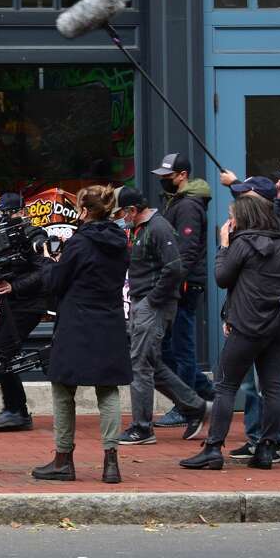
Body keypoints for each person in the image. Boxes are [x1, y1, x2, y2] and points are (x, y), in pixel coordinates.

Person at [180, 192, 280, 470]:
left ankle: (212, 449)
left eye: (232, 217)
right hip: (277, 327)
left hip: (246, 326)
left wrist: (223, 245)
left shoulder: (242, 245)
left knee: (225, 386)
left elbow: (222, 278)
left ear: (243, 218)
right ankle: (267, 447)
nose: (229, 222)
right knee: (272, 387)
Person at [30, 186, 132, 483]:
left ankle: (63, 460)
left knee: (63, 389)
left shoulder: (79, 243)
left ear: (85, 211)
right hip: (110, 320)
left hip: (76, 322)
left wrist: (49, 260)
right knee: (108, 390)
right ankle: (111, 462)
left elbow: (55, 282)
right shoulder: (119, 242)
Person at [113, 186, 209, 445]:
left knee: (140, 366)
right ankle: (194, 406)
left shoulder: (158, 228)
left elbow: (174, 268)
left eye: (123, 212)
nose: (122, 217)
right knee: (151, 365)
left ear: (132, 210)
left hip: (152, 305)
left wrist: (151, 301)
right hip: (143, 303)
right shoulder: (138, 229)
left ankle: (142, 427)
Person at [0, 193, 49, 432]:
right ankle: (15, 410)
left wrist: (14, 286)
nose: (5, 219)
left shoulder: (35, 235)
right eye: (2, 215)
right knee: (2, 355)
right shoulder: (5, 237)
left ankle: (16, 411)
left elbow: (46, 270)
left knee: (2, 354)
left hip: (28, 304)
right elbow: (3, 269)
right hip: (12, 303)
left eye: (9, 214)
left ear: (21, 211)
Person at [152, 152, 215, 432]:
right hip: (181, 282)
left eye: (169, 175)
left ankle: (186, 405)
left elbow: (186, 252)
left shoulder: (188, 206)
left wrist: (173, 282)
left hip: (184, 284)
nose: (164, 179)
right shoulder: (179, 202)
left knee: (180, 345)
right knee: (169, 345)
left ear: (182, 175)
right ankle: (203, 391)